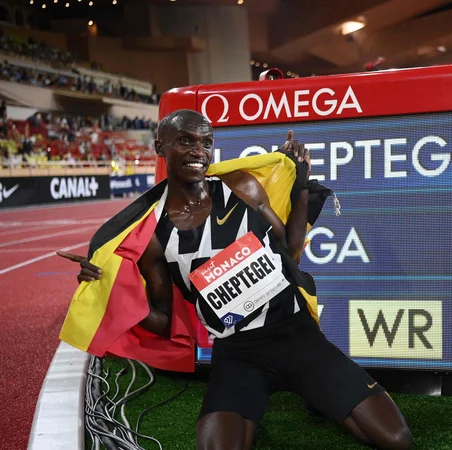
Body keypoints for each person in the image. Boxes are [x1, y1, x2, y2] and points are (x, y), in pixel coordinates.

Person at [58, 109, 413, 450]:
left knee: (395, 439)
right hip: (238, 354)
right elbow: (164, 322)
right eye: (185, 141)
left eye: (206, 142)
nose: (198, 152)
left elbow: (289, 253)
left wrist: (301, 185)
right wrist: (111, 293)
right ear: (159, 146)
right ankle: (309, 395)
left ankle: (317, 392)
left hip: (296, 335)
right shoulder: (152, 235)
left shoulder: (240, 188)